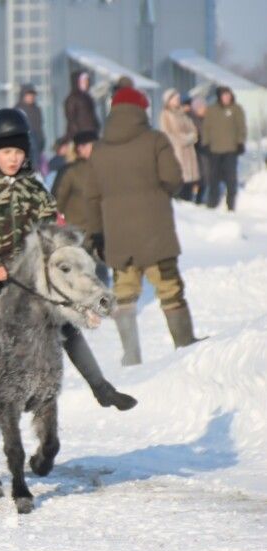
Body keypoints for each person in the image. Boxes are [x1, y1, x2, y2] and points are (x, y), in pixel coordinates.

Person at [0, 109, 134, 475]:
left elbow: (55, 230)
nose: (12, 158)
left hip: (25, 285)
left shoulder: (34, 188)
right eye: (5, 151)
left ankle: (101, 387)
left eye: (18, 151)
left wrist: (75, 253)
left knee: (66, 325)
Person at [92, 87, 204, 365]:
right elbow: (173, 179)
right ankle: (185, 346)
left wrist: (97, 234)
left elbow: (91, 196)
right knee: (169, 290)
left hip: (119, 239)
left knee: (125, 295)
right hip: (156, 235)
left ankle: (131, 357)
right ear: (141, 110)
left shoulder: (99, 149)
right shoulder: (155, 140)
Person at [52, 130, 107, 284]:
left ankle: (101, 304)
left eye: (89, 145)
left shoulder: (107, 169)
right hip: (76, 233)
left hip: (100, 233)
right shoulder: (70, 171)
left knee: (99, 276)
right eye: (83, 146)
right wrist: (58, 223)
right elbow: (56, 200)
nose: (85, 149)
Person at [201, 86, 247, 212]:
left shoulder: (236, 109)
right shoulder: (211, 110)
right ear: (219, 97)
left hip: (230, 150)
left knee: (231, 178)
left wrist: (240, 142)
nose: (226, 98)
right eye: (224, 95)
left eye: (228, 95)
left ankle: (231, 204)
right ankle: (212, 203)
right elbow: (206, 128)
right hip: (214, 150)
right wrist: (205, 143)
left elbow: (241, 127)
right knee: (213, 178)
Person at [159, 89, 199, 201]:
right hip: (177, 152)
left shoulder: (182, 114)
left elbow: (194, 131)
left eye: (178, 98)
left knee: (189, 185)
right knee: (179, 181)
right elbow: (168, 135)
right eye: (175, 98)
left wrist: (191, 137)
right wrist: (186, 138)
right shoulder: (166, 115)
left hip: (189, 153)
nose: (177, 100)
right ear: (168, 101)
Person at [15, 83, 46, 172]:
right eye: (29, 94)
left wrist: (42, 141)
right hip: (25, 145)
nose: (31, 97)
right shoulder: (18, 110)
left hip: (38, 144)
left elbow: (40, 126)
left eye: (33, 95)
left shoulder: (37, 109)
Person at [64, 69, 100, 140]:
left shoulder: (88, 97)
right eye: (83, 81)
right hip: (81, 135)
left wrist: (96, 126)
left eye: (87, 81)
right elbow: (71, 118)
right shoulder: (72, 98)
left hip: (91, 133)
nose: (86, 83)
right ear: (77, 82)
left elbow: (92, 115)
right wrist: (77, 135)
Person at [189, 97, 210, 205]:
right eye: (202, 107)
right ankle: (196, 199)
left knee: (205, 176)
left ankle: (200, 198)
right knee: (197, 176)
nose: (204, 109)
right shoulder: (191, 119)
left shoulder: (206, 118)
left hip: (205, 151)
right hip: (195, 151)